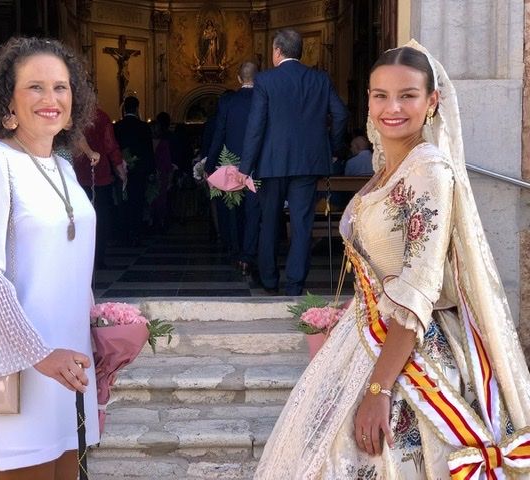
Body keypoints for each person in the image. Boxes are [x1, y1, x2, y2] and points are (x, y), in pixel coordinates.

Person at [254, 41, 530, 479]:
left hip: (408, 350)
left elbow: (418, 288)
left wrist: (379, 390)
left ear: (432, 101)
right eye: (380, 95)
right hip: (366, 338)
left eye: (408, 95)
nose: (392, 107)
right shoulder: (390, 166)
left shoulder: (429, 170)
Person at [0, 37, 99, 478]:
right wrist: (40, 354)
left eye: (61, 87)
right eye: (35, 87)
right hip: (22, 364)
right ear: (8, 100)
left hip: (69, 366)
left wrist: (101, 334)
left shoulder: (63, 166)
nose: (51, 98)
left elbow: (72, 267)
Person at [239, 29, 348, 295]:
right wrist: (332, 150)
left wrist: (245, 168)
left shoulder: (265, 81)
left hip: (272, 164)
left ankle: (269, 280)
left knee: (269, 222)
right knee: (302, 225)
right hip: (308, 164)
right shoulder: (320, 79)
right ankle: (295, 284)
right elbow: (341, 115)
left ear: (277, 51)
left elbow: (256, 126)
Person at [206, 61, 261, 274]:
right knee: (254, 212)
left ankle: (236, 252)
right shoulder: (263, 99)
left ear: (239, 78)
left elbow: (219, 134)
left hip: (233, 165)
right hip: (258, 165)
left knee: (234, 211)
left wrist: (210, 165)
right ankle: (249, 255)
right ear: (258, 78)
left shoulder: (228, 103)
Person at [73, 105, 127, 269]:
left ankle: (80, 258)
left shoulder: (72, 115)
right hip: (100, 174)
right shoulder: (102, 116)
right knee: (101, 218)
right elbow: (110, 145)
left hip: (76, 175)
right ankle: (98, 258)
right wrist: (120, 170)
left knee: (78, 218)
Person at [113, 96, 155, 246]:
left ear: (124, 109)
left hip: (119, 170)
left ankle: (123, 233)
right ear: (137, 108)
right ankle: (136, 232)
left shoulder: (117, 126)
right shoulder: (143, 127)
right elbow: (149, 151)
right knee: (137, 201)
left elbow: (112, 148)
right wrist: (151, 171)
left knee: (122, 201)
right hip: (139, 170)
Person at [150, 111, 175, 232]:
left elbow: (167, 161)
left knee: (158, 200)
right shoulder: (161, 143)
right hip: (158, 174)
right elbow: (167, 161)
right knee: (158, 200)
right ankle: (158, 222)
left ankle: (158, 222)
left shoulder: (159, 143)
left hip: (158, 174)